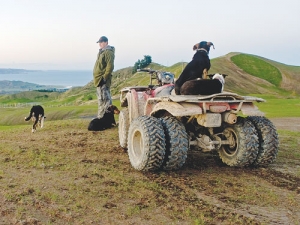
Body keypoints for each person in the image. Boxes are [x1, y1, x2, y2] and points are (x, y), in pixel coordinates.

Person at [93, 36, 115, 119]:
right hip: (98, 79)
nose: (100, 44)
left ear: (106, 42)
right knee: (101, 99)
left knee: (106, 100)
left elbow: (110, 66)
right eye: (99, 42)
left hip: (103, 80)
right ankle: (101, 117)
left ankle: (107, 119)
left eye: (101, 42)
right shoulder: (101, 52)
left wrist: (104, 78)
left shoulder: (108, 52)